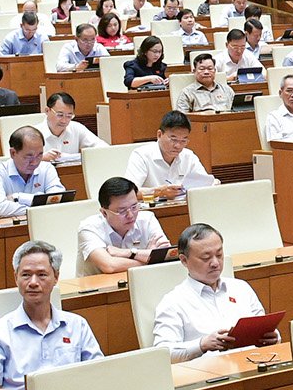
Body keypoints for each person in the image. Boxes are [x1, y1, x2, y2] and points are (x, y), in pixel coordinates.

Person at [0, 242, 104, 390]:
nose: (33, 282)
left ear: (56, 277)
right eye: (26, 274)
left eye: (41, 275)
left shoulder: (77, 325)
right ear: (16, 277)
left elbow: (98, 374)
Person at [151, 224, 278, 363]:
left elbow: (267, 328)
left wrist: (273, 336)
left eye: (219, 254)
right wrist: (201, 345)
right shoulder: (173, 302)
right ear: (184, 260)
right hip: (205, 374)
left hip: (252, 365)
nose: (215, 263)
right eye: (206, 258)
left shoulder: (241, 288)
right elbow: (163, 354)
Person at [75, 176, 171, 273]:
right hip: (97, 285)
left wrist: (128, 253)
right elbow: (109, 266)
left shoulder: (147, 219)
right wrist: (150, 259)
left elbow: (167, 255)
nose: (130, 215)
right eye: (122, 211)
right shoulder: (89, 228)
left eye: (134, 207)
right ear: (104, 213)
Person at [0, 126, 65, 219]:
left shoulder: (46, 168)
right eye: (28, 156)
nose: (34, 162)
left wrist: (18, 197)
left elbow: (58, 200)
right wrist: (40, 206)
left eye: (40, 155)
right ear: (13, 153)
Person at [126, 110, 210, 192]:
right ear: (159, 135)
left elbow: (204, 185)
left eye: (183, 141)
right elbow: (130, 192)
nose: (178, 146)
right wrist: (160, 192)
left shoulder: (189, 156)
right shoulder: (141, 156)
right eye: (173, 140)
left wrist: (212, 184)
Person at [37, 91, 103, 166]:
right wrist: (41, 158)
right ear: (47, 111)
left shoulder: (76, 128)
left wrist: (82, 156)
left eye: (69, 116)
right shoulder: (34, 133)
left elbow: (103, 149)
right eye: (60, 115)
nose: (64, 121)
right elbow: (22, 161)